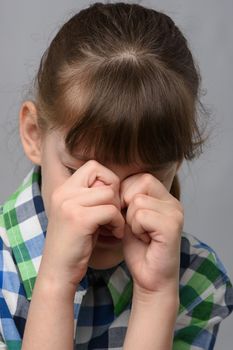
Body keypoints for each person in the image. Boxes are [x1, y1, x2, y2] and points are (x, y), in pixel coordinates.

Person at [0, 2, 232, 349]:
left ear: (176, 162)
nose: (111, 206)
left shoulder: (194, 279)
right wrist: (54, 284)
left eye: (143, 178)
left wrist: (155, 296)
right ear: (34, 133)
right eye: (79, 172)